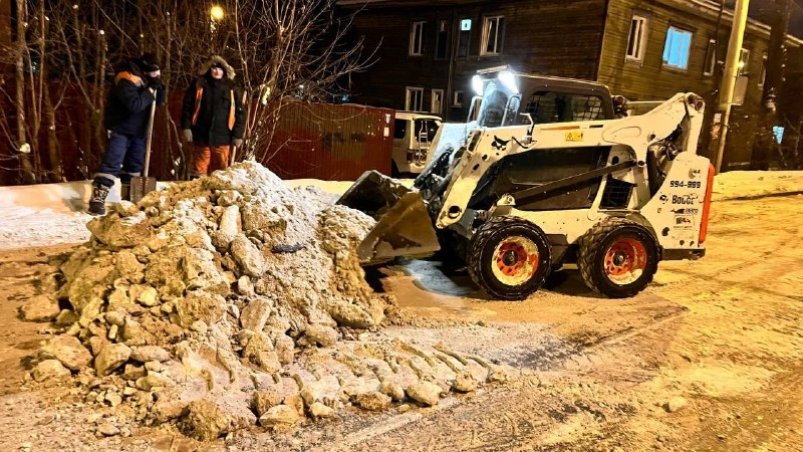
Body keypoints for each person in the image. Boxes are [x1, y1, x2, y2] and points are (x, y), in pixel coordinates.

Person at [88, 54, 165, 215]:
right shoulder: (126, 78)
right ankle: (98, 198)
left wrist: (158, 86)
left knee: (134, 166)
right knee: (112, 162)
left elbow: (157, 102)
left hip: (138, 131)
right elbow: (134, 105)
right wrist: (150, 89)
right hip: (120, 128)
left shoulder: (145, 81)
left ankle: (129, 199)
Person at [181, 56, 245, 179]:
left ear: (224, 72)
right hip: (200, 135)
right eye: (214, 68)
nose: (217, 72)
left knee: (220, 173)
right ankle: (197, 195)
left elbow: (240, 112)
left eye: (220, 69)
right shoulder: (199, 85)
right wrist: (186, 127)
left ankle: (216, 195)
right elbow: (187, 107)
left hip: (223, 137)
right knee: (199, 171)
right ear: (209, 70)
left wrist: (238, 134)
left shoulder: (231, 88)